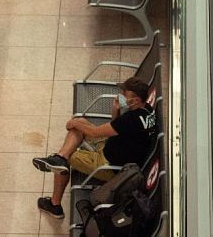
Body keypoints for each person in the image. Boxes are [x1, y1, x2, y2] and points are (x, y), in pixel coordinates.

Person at [32, 77, 158, 218]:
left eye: (124, 93)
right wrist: (115, 110)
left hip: (110, 166)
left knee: (71, 149)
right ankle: (60, 158)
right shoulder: (146, 110)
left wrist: (72, 123)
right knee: (81, 122)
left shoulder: (130, 120)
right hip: (115, 147)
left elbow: (94, 132)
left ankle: (55, 205)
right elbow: (116, 128)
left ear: (135, 100)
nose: (120, 95)